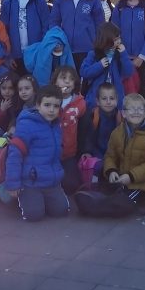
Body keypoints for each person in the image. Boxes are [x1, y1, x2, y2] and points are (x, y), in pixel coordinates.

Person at [6, 85, 71, 222]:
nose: (51, 110)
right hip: (30, 182)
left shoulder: (56, 125)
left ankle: (41, 200)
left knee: (61, 210)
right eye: (47, 105)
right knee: (34, 215)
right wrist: (13, 183)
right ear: (38, 105)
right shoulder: (27, 125)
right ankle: (22, 197)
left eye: (56, 106)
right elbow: (15, 154)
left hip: (51, 181)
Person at [100, 93, 145, 199]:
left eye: (140, 109)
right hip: (121, 181)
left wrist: (131, 176)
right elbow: (110, 156)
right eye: (132, 109)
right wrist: (111, 171)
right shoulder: (117, 133)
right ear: (124, 113)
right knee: (104, 196)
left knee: (124, 200)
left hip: (142, 185)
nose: (136, 112)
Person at [50, 0, 106, 69]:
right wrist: (57, 41)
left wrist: (98, 46)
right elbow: (54, 22)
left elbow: (100, 23)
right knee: (68, 79)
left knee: (86, 79)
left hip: (88, 50)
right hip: (65, 49)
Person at [0, 0, 51, 74]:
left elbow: (46, 28)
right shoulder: (7, 3)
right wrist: (8, 56)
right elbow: (3, 31)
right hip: (15, 57)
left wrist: (41, 51)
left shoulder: (40, 1)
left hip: (35, 55)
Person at [81, 23, 135, 108]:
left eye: (119, 38)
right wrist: (99, 65)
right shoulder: (93, 54)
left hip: (116, 100)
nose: (119, 41)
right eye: (116, 39)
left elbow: (129, 72)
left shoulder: (119, 54)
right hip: (96, 100)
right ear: (106, 40)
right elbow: (84, 72)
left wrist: (124, 54)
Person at [54, 65, 86, 194]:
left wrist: (85, 151)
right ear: (55, 82)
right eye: (63, 78)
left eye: (71, 79)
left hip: (69, 154)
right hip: (50, 153)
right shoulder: (48, 100)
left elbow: (85, 130)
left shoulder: (80, 104)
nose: (67, 81)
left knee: (72, 185)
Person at [79, 83, 121, 160]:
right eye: (104, 99)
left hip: (114, 152)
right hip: (96, 152)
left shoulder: (120, 117)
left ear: (116, 100)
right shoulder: (92, 116)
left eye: (112, 98)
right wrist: (87, 151)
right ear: (97, 101)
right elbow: (88, 137)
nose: (108, 102)